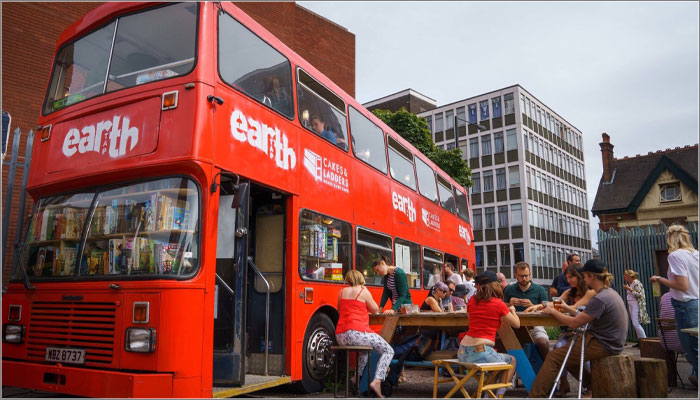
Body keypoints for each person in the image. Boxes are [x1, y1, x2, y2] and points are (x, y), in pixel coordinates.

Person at [529, 259, 628, 398]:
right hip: (608, 341)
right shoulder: (608, 293)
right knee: (565, 355)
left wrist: (554, 312)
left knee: (554, 356)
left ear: (591, 276)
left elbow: (574, 323)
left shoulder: (599, 298)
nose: (583, 278)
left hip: (604, 344)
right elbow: (583, 316)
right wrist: (565, 309)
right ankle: (592, 384)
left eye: (584, 275)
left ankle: (535, 396)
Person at [526, 263, 595, 396]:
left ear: (579, 276)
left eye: (570, 277)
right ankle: (564, 383)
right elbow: (556, 302)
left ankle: (591, 386)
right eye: (567, 277)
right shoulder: (570, 291)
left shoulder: (590, 292)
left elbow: (575, 307)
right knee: (558, 349)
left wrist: (556, 308)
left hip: (587, 333)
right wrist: (538, 306)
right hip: (570, 332)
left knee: (578, 355)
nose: (568, 280)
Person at [650, 224, 698, 387]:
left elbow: (682, 285)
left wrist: (659, 279)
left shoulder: (675, 256)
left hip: (684, 305)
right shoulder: (695, 254)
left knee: (692, 352)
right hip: (695, 303)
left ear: (670, 238)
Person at [458, 271, 519, 398]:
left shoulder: (472, 301)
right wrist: (512, 310)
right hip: (480, 353)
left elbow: (472, 322)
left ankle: (488, 396)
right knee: (511, 360)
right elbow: (516, 324)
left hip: (462, 352)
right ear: (495, 286)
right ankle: (498, 396)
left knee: (495, 367)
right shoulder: (499, 304)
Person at [335, 270, 394, 398]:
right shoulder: (363, 291)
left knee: (364, 352)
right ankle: (377, 380)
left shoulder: (342, 292)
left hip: (340, 335)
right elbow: (374, 310)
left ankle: (356, 378)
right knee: (388, 350)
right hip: (356, 333)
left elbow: (340, 310)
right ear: (361, 279)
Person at [504, 261, 550, 361]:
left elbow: (548, 309)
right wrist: (509, 304)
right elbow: (502, 308)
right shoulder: (509, 290)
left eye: (526, 276)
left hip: (535, 325)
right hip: (514, 326)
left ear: (530, 275)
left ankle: (548, 368)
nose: (524, 279)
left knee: (543, 342)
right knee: (503, 341)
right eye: (521, 276)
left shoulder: (540, 289)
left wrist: (533, 306)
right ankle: (514, 372)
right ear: (516, 275)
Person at [623, 269, 650, 341]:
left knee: (635, 323)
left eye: (625, 275)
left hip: (636, 304)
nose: (624, 277)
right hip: (631, 304)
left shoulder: (636, 282)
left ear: (629, 276)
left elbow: (640, 295)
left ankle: (644, 340)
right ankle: (640, 340)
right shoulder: (632, 283)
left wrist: (629, 289)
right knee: (635, 323)